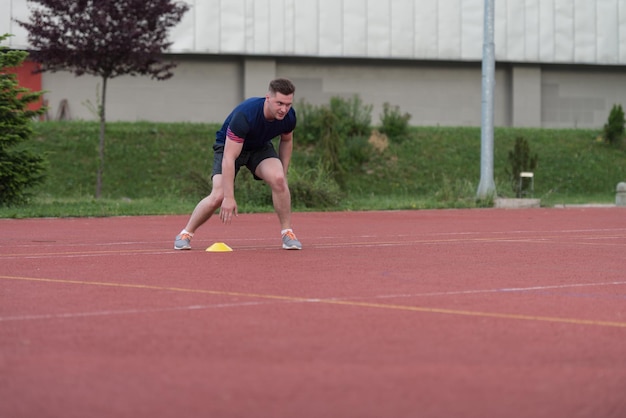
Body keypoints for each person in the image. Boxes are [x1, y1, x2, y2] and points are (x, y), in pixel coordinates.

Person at [174, 78, 302, 250]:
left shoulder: (289, 116)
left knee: (279, 180)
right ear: (268, 98)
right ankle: (185, 234)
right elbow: (229, 157)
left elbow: (286, 141)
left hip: (259, 147)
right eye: (279, 103)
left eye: (288, 104)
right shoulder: (246, 115)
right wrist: (229, 197)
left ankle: (287, 233)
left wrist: (283, 174)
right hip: (228, 147)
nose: (284, 109)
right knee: (218, 195)